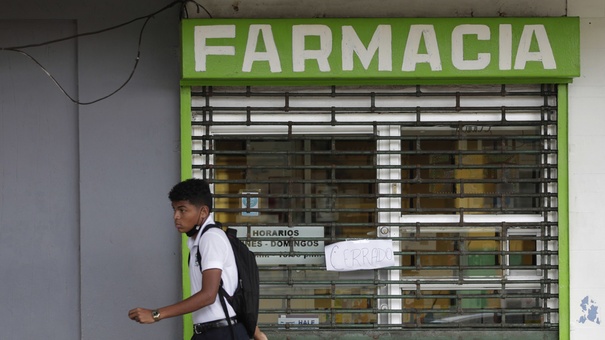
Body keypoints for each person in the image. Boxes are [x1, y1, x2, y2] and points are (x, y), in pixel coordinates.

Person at [128, 178, 267, 340]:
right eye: (174, 210)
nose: (176, 216)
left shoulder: (211, 238)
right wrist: (258, 334)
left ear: (203, 212)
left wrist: (156, 314)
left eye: (182, 210)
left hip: (222, 333)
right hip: (212, 332)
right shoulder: (199, 241)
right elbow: (231, 293)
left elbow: (209, 295)